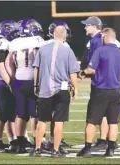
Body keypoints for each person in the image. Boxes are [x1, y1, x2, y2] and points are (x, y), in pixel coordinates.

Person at [77, 28, 120, 157]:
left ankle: (87, 149)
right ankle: (110, 150)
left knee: (92, 121)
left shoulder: (100, 50)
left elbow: (90, 69)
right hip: (116, 91)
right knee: (113, 122)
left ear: (105, 36)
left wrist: (82, 73)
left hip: (100, 90)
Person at [31, 26, 80, 157]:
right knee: (59, 121)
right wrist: (75, 88)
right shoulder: (68, 50)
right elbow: (73, 72)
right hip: (61, 90)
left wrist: (36, 85)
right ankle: (55, 150)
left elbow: (36, 68)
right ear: (64, 35)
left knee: (42, 120)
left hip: (45, 89)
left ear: (53, 34)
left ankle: (37, 149)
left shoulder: (43, 49)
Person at [80, 16, 120, 151]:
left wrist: (84, 72)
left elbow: (98, 62)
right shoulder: (96, 40)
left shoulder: (98, 41)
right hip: (109, 82)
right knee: (107, 115)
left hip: (101, 83)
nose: (85, 27)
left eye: (87, 25)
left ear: (94, 26)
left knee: (97, 115)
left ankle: (103, 140)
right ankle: (106, 141)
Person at [5, 18, 44, 153]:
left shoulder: (14, 42)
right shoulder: (37, 40)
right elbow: (40, 59)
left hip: (19, 79)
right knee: (34, 114)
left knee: (20, 114)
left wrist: (13, 76)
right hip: (33, 79)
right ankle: (38, 142)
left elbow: (8, 62)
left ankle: (20, 142)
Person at [0, 20, 18, 152]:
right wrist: (11, 83)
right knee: (3, 113)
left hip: (5, 81)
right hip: (1, 81)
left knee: (11, 114)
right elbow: (1, 67)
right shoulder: (1, 43)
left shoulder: (8, 43)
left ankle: (12, 139)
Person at [44, 21, 72, 151]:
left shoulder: (44, 45)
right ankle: (54, 143)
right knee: (58, 116)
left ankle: (41, 144)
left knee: (43, 117)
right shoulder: (64, 47)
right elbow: (70, 69)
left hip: (45, 85)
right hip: (61, 85)